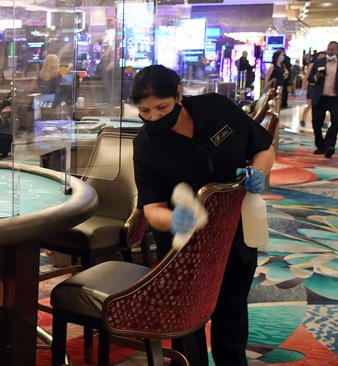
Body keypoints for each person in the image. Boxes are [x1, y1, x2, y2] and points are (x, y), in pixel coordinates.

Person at [131, 65, 275, 366]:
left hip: (235, 227)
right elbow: (152, 209)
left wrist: (258, 172)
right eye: (145, 111)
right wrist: (175, 220)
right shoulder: (146, 144)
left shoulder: (216, 108)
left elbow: (263, 147)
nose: (154, 117)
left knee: (231, 308)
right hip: (185, 241)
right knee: (185, 316)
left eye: (162, 108)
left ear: (179, 95)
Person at [308, 41, 338, 158]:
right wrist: (316, 77)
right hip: (320, 98)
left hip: (335, 98)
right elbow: (310, 78)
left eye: (332, 49)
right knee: (316, 122)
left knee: (336, 122)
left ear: (337, 51)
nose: (330, 51)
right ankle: (320, 145)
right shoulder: (319, 62)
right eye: (328, 49)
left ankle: (329, 145)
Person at [301, 52, 325, 128]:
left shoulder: (324, 65)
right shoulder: (313, 65)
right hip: (312, 87)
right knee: (310, 105)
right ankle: (303, 119)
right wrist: (303, 85)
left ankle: (321, 121)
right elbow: (307, 76)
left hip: (320, 88)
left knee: (321, 105)